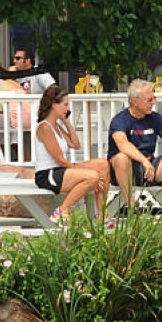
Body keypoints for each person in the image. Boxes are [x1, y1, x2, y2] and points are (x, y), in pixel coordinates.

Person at [109, 78, 162, 213]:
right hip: (126, 171)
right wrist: (143, 161)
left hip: (149, 168)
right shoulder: (120, 120)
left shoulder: (156, 118)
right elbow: (123, 145)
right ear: (135, 101)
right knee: (121, 158)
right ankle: (131, 209)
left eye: (154, 98)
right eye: (149, 100)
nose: (153, 103)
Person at [33, 84, 110, 220]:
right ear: (53, 104)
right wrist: (84, 173)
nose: (68, 109)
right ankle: (62, 211)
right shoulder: (45, 127)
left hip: (60, 170)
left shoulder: (56, 126)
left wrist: (66, 120)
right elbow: (60, 159)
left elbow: (75, 144)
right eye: (65, 105)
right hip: (48, 174)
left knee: (102, 164)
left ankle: (102, 217)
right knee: (92, 177)